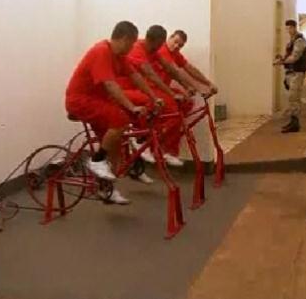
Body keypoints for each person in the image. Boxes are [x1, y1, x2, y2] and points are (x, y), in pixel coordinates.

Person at [65, 21, 160, 204]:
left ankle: (106, 189)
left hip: (96, 101)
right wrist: (131, 107)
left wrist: (153, 97)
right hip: (80, 100)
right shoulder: (101, 51)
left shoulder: (119, 56)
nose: (133, 47)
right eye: (132, 43)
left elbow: (135, 76)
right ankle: (96, 160)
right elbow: (110, 84)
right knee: (121, 119)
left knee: (115, 143)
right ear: (124, 39)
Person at [124, 25, 188, 167]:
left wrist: (191, 87)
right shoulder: (138, 49)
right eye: (175, 41)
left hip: (142, 88)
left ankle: (161, 143)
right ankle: (142, 139)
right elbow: (151, 75)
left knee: (184, 104)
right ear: (153, 41)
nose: (162, 47)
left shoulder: (155, 49)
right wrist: (170, 94)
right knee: (168, 109)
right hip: (128, 89)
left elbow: (172, 70)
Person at [154, 30, 219, 159]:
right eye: (175, 42)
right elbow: (177, 72)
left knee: (187, 103)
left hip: (163, 89)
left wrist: (208, 83)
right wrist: (195, 88)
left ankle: (166, 139)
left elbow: (189, 69)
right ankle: (160, 136)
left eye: (180, 45)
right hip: (153, 89)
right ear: (170, 37)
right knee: (176, 115)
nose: (177, 46)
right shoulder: (162, 51)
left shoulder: (175, 54)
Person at [273, 19, 306, 133]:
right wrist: (282, 58)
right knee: (292, 98)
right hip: (292, 72)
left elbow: (295, 57)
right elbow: (288, 55)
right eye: (287, 28)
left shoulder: (299, 41)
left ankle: (295, 123)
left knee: (294, 98)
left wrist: (282, 61)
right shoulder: (292, 41)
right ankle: (293, 121)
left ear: (294, 27)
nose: (288, 30)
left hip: (298, 73)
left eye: (290, 28)